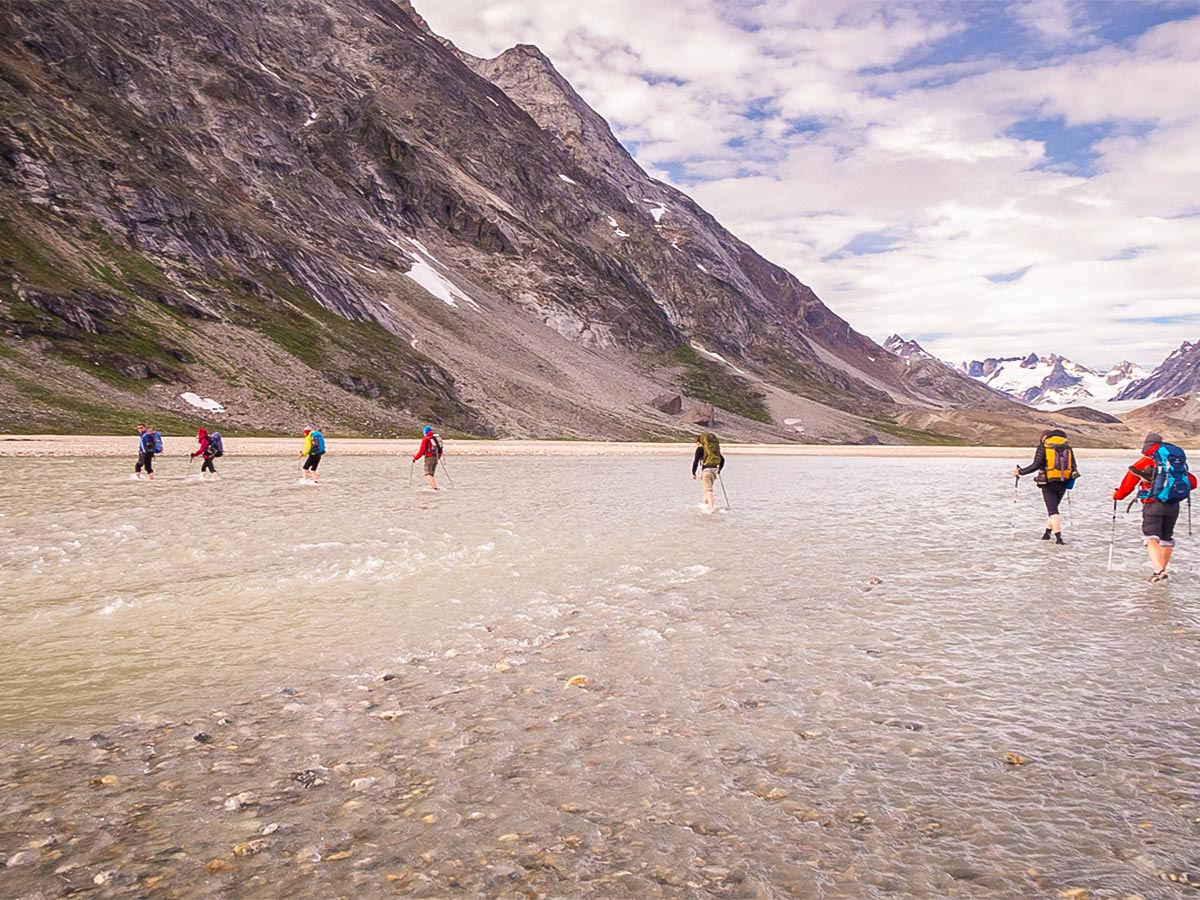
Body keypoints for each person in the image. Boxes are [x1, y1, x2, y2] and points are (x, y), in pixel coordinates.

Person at [1113, 432, 1196, 582]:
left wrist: (1117, 496)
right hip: (1173, 505)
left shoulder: (1145, 461)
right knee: (1166, 538)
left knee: (1151, 537)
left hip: (1152, 504)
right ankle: (1161, 570)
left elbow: (1128, 485)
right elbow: (1193, 483)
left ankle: (1159, 570)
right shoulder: (1175, 462)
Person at [1013, 428, 1079, 544]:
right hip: (1063, 482)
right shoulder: (1067, 447)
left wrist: (1020, 472)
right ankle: (1047, 534)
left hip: (1048, 482)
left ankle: (1059, 538)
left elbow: (1035, 465)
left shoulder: (1044, 446)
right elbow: (1074, 465)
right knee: (1054, 508)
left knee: (1052, 510)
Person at [691, 432, 726, 513]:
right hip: (714, 471)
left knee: (708, 491)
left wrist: (693, 472)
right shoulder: (712, 450)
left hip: (706, 471)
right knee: (706, 490)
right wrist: (719, 470)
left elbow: (695, 461)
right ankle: (705, 506)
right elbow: (723, 460)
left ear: (699, 442)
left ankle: (711, 508)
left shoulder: (700, 449)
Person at [412, 425, 443, 490]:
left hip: (429, 457)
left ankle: (435, 488)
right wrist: (439, 457)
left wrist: (415, 458)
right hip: (436, 457)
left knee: (427, 474)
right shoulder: (435, 438)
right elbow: (440, 449)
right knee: (431, 474)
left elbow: (421, 451)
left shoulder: (426, 439)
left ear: (425, 432)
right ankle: (434, 487)